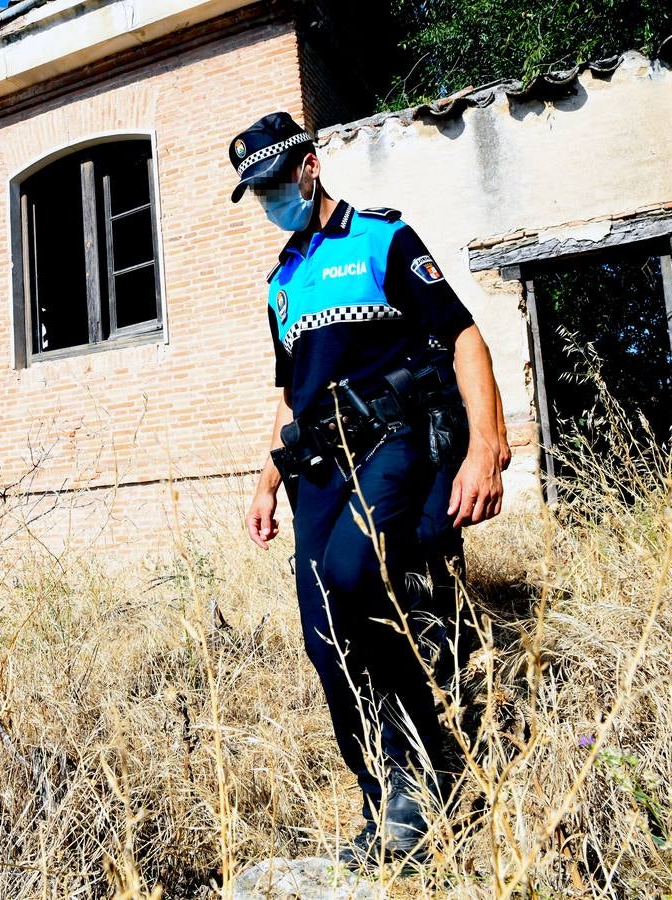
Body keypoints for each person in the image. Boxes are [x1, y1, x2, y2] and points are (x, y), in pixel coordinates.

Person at [230, 112, 506, 867]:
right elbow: (292, 398)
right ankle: (384, 793)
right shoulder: (280, 282)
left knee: (356, 576)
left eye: (271, 184)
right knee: (324, 638)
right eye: (253, 193)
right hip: (315, 469)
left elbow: (463, 336)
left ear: (309, 168)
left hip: (393, 438)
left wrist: (486, 445)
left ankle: (430, 777)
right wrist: (265, 485)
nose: (266, 201)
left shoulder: (384, 239)